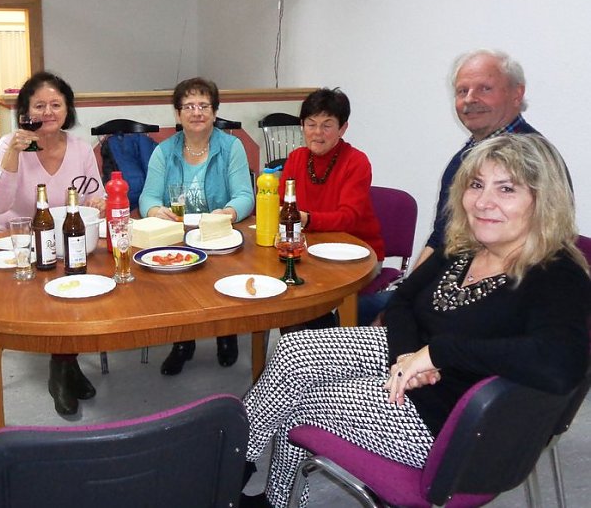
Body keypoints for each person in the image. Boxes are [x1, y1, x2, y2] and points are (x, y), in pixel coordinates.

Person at [239, 134, 590, 508]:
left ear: (542, 201)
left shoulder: (558, 273)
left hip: (449, 419)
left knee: (303, 401)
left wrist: (438, 354)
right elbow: (404, 300)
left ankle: (269, 499)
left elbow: (560, 365)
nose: (484, 202)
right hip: (416, 362)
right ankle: (236, 466)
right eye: (476, 184)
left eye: (506, 189)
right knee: (295, 351)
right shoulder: (466, 247)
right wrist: (408, 357)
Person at [359, 48, 540, 325]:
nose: (470, 99)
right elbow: (442, 238)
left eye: (484, 88)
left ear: (517, 93)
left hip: (476, 312)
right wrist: (405, 296)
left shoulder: (534, 161)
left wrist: (406, 311)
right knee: (359, 308)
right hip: (443, 288)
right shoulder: (469, 154)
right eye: (462, 91)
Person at [0, 71, 105, 417]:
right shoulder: (11, 145)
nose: (48, 112)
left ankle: (64, 366)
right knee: (54, 290)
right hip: (17, 243)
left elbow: (93, 198)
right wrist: (12, 155)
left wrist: (98, 204)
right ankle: (63, 369)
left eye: (56, 104)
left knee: (83, 284)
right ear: (25, 111)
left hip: (67, 242)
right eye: (39, 105)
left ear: (68, 110)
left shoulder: (81, 149)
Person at [139, 77, 255, 375]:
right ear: (177, 114)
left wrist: (228, 212)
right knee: (178, 286)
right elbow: (148, 196)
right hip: (177, 234)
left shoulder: (232, 147)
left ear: (215, 112)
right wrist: (155, 210)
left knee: (223, 279)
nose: (196, 112)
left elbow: (245, 195)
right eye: (188, 106)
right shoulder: (164, 151)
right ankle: (182, 342)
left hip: (219, 234)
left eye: (204, 105)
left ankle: (226, 335)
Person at [281, 87, 384, 329]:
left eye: (327, 125)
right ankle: (302, 354)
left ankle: (321, 350)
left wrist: (306, 219)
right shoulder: (296, 158)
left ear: (343, 128)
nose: (317, 133)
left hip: (356, 254)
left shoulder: (356, 162)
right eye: (311, 123)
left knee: (304, 303)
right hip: (309, 251)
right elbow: (282, 205)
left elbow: (348, 218)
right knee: (285, 298)